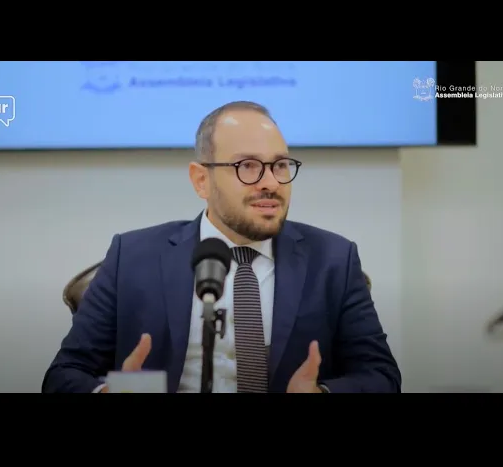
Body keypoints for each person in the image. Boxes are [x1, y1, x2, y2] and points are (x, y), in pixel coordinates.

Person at [42, 101, 401, 393]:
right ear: (201, 180)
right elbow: (64, 375)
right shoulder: (133, 256)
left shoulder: (333, 260)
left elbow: (381, 376)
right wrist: (112, 393)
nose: (270, 182)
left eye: (280, 165)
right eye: (248, 166)